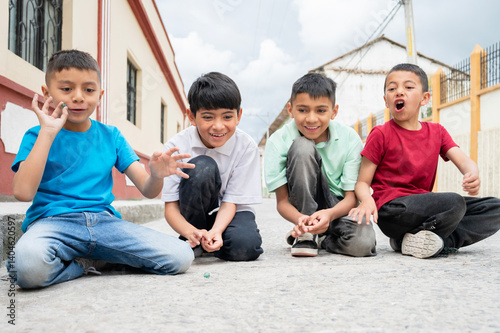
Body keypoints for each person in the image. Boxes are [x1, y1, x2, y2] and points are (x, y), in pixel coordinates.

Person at [7, 50, 195, 289]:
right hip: (52, 223)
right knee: (24, 267)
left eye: (88, 90)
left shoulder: (111, 136)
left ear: (100, 94)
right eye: (66, 89)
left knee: (181, 256)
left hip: (105, 225)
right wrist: (47, 132)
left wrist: (156, 174)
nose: (78, 97)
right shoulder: (36, 136)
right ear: (47, 93)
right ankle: (86, 263)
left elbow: (148, 189)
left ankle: (98, 256)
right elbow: (23, 193)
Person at [349, 63, 500, 259]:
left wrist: (472, 173)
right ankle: (416, 237)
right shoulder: (380, 133)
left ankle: (426, 241)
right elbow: (362, 182)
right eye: (392, 88)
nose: (399, 92)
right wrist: (367, 200)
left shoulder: (437, 132)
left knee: (494, 208)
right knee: (453, 203)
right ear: (386, 100)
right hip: (394, 210)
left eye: (408, 87)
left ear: (425, 98)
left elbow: (464, 161)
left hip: (426, 207)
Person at [264, 73, 376, 257]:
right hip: (302, 207)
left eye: (321, 111)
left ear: (334, 111)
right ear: (290, 110)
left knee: (362, 245)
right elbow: (282, 202)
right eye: (303, 110)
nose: (311, 119)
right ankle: (306, 233)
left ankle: (323, 237)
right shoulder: (278, 141)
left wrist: (330, 215)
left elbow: (351, 198)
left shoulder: (349, 139)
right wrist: (302, 219)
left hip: (338, 207)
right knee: (302, 146)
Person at [162, 72, 263, 261]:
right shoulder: (175, 148)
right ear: (192, 117)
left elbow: (231, 201)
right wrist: (190, 231)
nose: (218, 126)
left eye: (227, 117)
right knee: (202, 166)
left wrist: (216, 231)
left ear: (239, 115)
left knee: (245, 247)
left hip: (231, 211)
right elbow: (170, 208)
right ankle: (195, 238)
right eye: (208, 117)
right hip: (194, 216)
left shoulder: (246, 147)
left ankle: (208, 242)